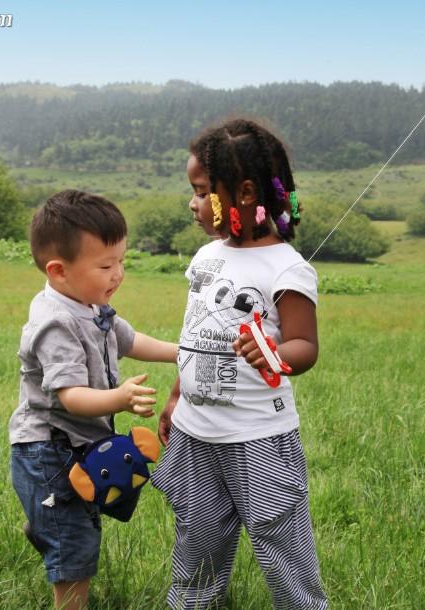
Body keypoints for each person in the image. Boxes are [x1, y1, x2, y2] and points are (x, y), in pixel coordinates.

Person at [151, 119, 327, 610]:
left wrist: (275, 353)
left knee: (282, 548)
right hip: (195, 432)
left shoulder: (287, 268)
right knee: (197, 537)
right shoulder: (207, 255)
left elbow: (305, 345)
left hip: (258, 439)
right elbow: (194, 336)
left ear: (245, 192)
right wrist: (176, 395)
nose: (192, 202)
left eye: (202, 191)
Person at [9, 190, 178, 610]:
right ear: (58, 271)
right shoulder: (56, 322)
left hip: (77, 443)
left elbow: (131, 340)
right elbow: (70, 397)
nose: (118, 273)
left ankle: (47, 525)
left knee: (103, 500)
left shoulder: (93, 304)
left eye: (122, 260)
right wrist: (118, 398)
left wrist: (182, 351)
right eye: (106, 265)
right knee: (76, 548)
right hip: (49, 449)